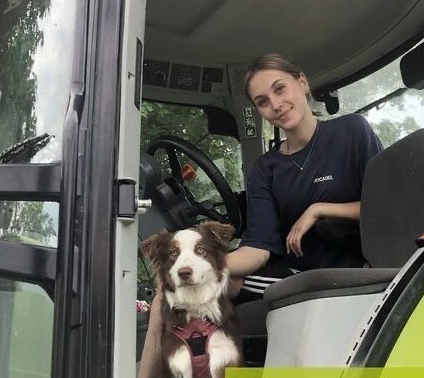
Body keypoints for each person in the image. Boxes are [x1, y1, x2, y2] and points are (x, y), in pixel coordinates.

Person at [137, 53, 382, 377]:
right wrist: (195, 264)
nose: (276, 104)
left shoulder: (351, 132)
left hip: (352, 268)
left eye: (280, 89)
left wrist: (319, 209)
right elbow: (258, 249)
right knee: (170, 292)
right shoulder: (267, 168)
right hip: (294, 269)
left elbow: (384, 206)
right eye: (263, 101)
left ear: (302, 82)